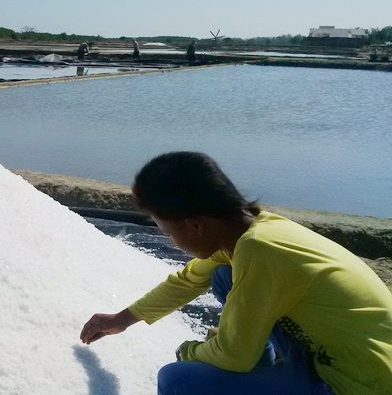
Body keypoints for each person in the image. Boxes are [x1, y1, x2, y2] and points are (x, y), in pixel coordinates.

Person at [80, 152, 392, 394]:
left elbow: (233, 356)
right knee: (223, 277)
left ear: (195, 225)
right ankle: (265, 367)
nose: (170, 240)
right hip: (345, 354)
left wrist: (187, 351)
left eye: (166, 230)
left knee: (177, 379)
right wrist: (120, 320)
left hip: (353, 382)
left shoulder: (261, 251)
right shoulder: (252, 230)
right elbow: (187, 280)